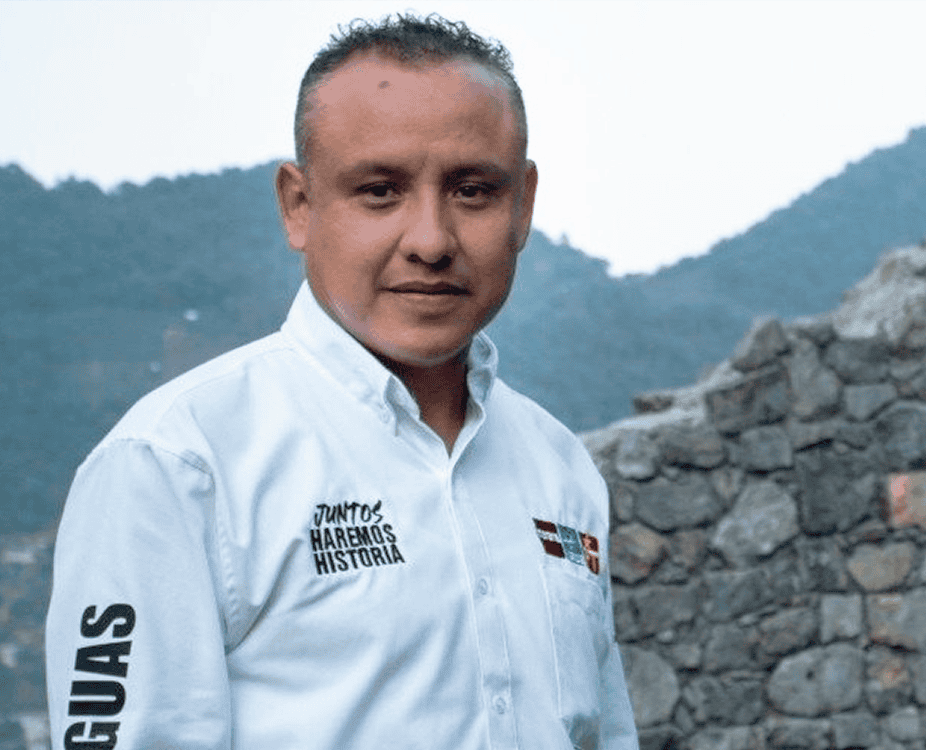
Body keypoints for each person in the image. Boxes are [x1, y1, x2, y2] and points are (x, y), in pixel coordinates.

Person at [45, 14, 639, 750]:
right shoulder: (177, 464)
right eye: (380, 191)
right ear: (298, 206)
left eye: (473, 190)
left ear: (523, 206)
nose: (431, 240)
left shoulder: (560, 467)